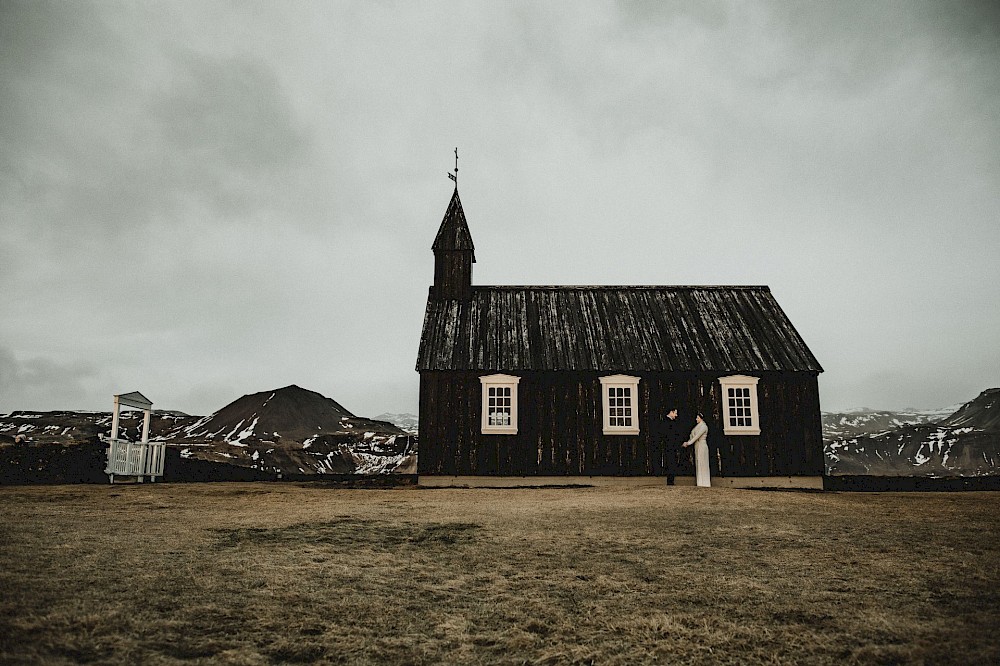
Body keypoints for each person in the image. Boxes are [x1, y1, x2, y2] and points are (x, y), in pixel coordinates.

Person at [682, 413, 710, 487]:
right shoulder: (697, 426)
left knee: (703, 463)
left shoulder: (704, 427)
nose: (696, 419)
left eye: (698, 418)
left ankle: (705, 482)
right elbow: (692, 435)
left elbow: (697, 436)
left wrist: (688, 443)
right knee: (698, 462)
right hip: (697, 445)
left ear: (701, 418)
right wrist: (689, 441)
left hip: (702, 445)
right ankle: (700, 482)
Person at [662, 408, 680, 485]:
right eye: (675, 413)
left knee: (671, 462)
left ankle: (671, 480)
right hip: (669, 446)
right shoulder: (667, 422)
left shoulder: (669, 422)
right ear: (671, 412)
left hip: (671, 446)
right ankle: (670, 481)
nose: (676, 415)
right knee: (670, 462)